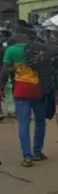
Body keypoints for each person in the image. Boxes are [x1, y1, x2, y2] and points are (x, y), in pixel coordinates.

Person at [0, 23, 47, 167]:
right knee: (40, 121)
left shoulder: (11, 50)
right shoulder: (38, 48)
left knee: (24, 122)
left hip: (21, 89)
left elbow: (5, 70)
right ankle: (37, 152)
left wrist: (1, 86)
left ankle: (27, 156)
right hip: (38, 89)